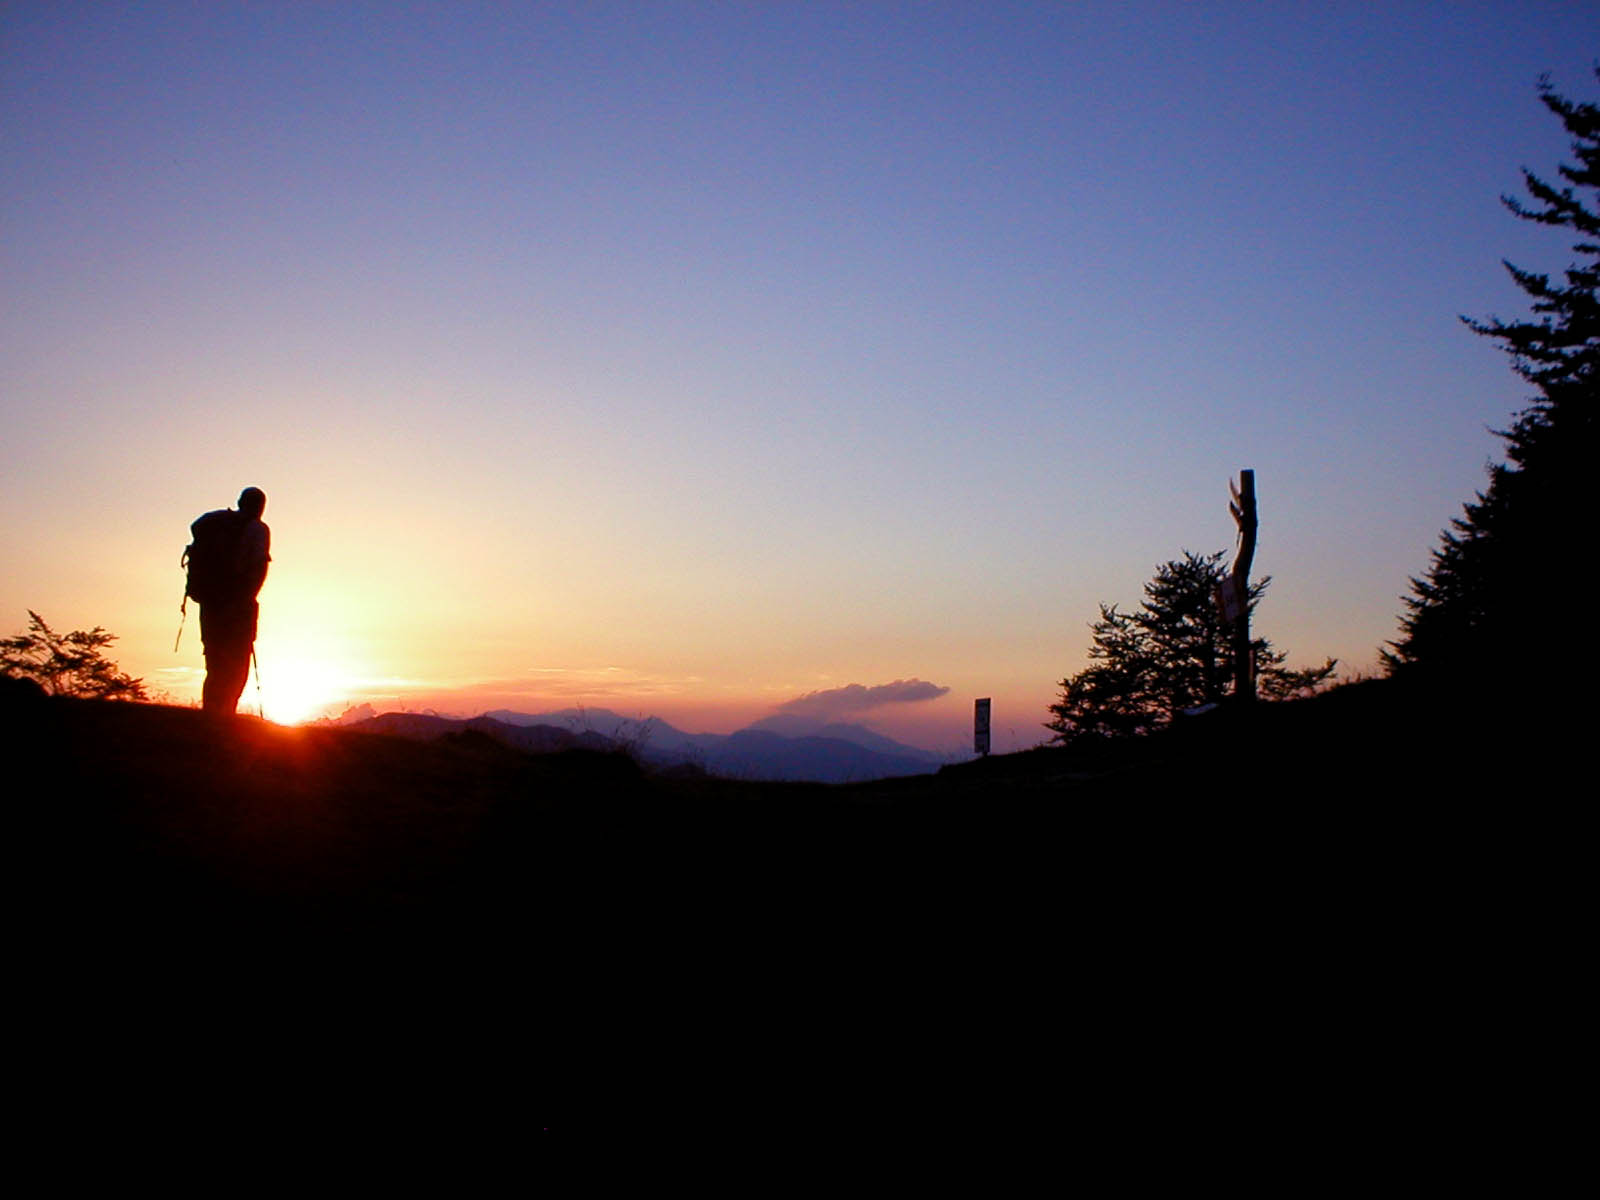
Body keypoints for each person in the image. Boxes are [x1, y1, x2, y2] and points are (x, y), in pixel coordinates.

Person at [190, 487, 271, 716]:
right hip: (237, 605)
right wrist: (247, 599)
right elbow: (259, 567)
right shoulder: (258, 529)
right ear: (261, 506)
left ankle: (211, 714)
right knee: (237, 665)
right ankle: (225, 716)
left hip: (211, 603)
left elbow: (195, 527)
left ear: (239, 502)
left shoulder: (215, 523)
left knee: (215, 664)